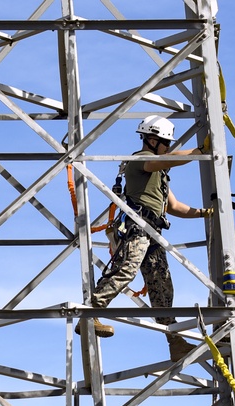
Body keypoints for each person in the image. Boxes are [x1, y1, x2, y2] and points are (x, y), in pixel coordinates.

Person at [79, 115, 211, 362]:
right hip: (139, 226)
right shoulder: (140, 160)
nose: (168, 148)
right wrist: (200, 150)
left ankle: (173, 339)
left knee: (162, 286)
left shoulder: (159, 176)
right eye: (165, 143)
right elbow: (163, 160)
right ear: (152, 140)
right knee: (126, 269)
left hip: (153, 231)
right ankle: (91, 313)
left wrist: (205, 213)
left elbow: (174, 207)